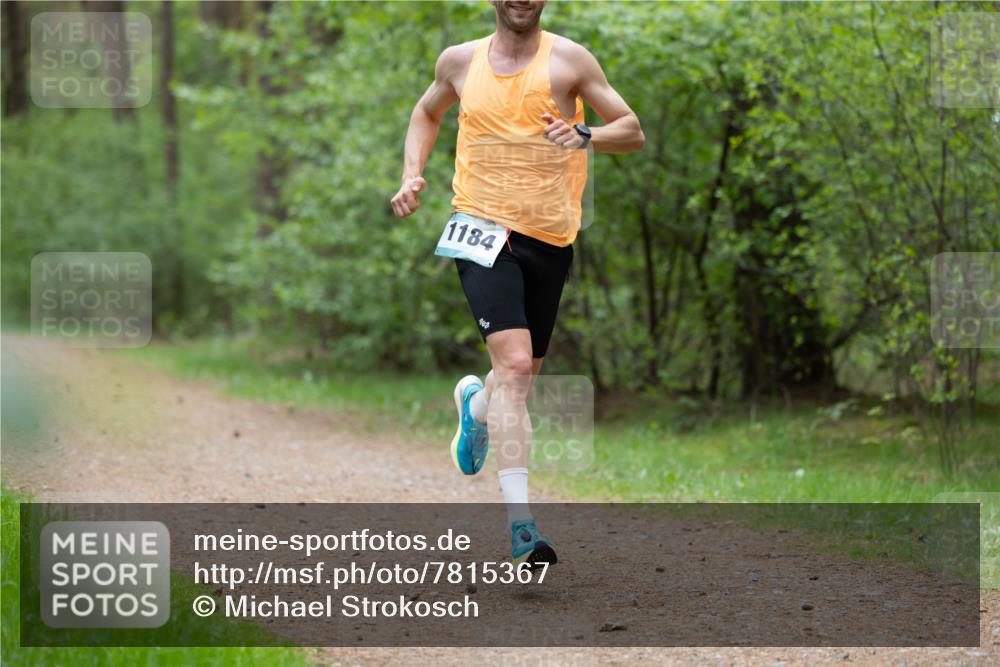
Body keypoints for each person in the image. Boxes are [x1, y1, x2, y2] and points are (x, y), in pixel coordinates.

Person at [390, 0, 643, 567]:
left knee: (515, 383)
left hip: (550, 237)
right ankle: (521, 527)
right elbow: (425, 113)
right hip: (478, 225)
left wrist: (585, 136)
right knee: (517, 366)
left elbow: (631, 131)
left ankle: (475, 407)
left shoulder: (569, 61)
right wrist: (412, 173)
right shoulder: (459, 62)